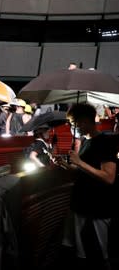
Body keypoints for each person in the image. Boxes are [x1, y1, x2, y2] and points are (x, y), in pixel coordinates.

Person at [59, 103, 117, 269]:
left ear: (84, 122)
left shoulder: (105, 142)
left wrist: (79, 162)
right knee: (80, 252)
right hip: (81, 205)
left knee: (101, 252)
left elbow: (109, 177)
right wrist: (66, 165)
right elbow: (82, 171)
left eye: (73, 123)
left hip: (99, 207)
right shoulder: (85, 142)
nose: (72, 127)